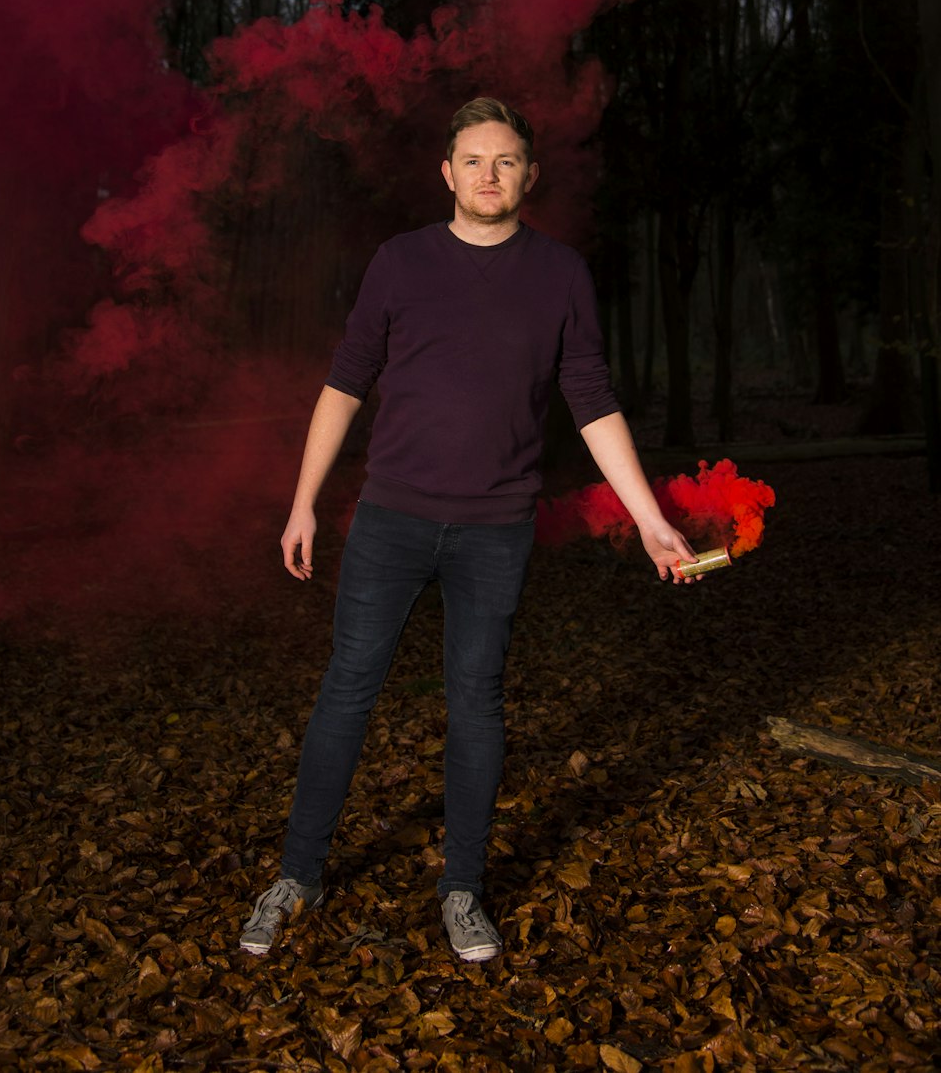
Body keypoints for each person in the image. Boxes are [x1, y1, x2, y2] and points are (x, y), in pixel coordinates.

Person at [240, 96, 699, 964]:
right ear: (448, 174)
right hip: (390, 521)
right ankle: (299, 873)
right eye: (475, 161)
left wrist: (650, 521)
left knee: (476, 704)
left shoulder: (560, 273)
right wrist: (303, 501)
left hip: (496, 529)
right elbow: (345, 384)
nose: (491, 175)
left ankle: (463, 889)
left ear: (530, 175)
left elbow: (592, 401)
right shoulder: (399, 262)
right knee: (347, 690)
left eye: (508, 161)